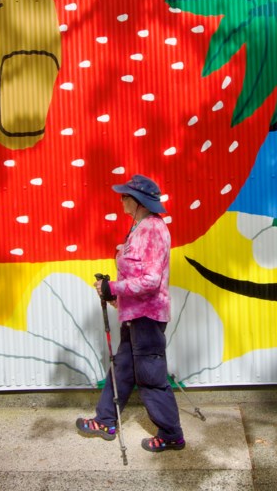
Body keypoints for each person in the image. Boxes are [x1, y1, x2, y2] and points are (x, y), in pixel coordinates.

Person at [76, 174, 186, 452]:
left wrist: (112, 286)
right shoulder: (139, 226)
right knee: (123, 369)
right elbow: (139, 276)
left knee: (150, 376)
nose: (121, 200)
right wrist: (115, 296)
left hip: (147, 319)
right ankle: (105, 420)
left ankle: (172, 434)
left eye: (124, 196)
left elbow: (150, 280)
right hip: (136, 316)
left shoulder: (151, 228)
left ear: (137, 201)